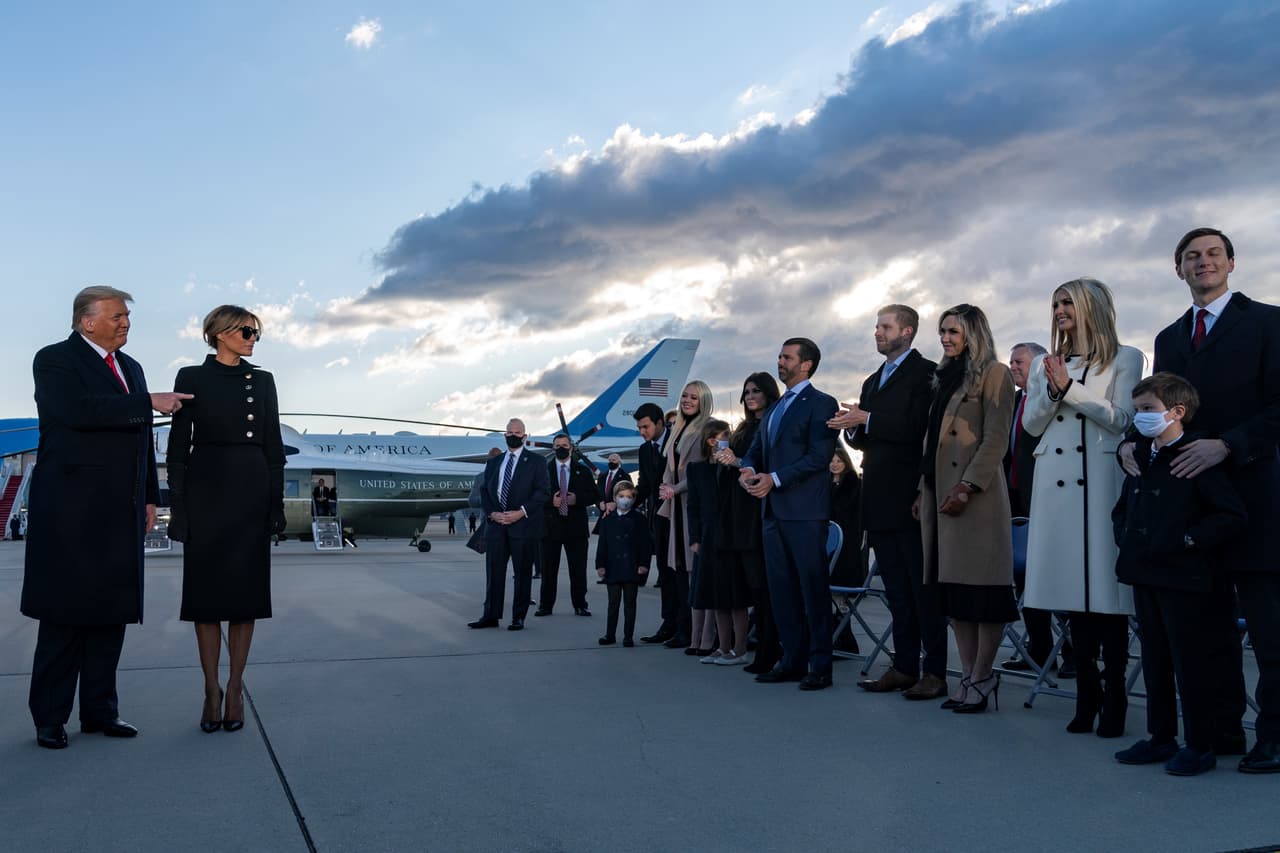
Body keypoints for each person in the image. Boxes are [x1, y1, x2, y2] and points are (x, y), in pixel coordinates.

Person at [1121, 227, 1280, 773]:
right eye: (1192, 256)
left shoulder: (1268, 322)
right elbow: (1165, 409)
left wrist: (1227, 446)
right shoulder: (1169, 338)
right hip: (1191, 508)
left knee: (1268, 629)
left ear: (1232, 263)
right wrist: (1130, 442)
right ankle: (1218, 732)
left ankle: (1275, 738)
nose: (1203, 262)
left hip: (1256, 495)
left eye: (1213, 254)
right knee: (1205, 633)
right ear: (1178, 269)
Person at [21, 286, 191, 749]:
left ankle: (100, 712)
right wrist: (147, 402)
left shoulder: (131, 368)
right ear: (86, 321)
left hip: (122, 508)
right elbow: (77, 412)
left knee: (110, 613)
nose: (125, 323)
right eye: (116, 316)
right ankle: (50, 719)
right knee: (64, 615)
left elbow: (140, 442)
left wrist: (151, 495)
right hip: (71, 512)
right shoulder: (54, 359)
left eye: (127, 317)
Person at [1022, 279, 1142, 737]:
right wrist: (1052, 389)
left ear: (1092, 307)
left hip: (1100, 480)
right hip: (1056, 484)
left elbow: (1122, 419)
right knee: (1072, 595)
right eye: (1054, 303)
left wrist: (1070, 388)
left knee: (1105, 597)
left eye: (1067, 302)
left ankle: (1114, 698)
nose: (1059, 310)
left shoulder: (1126, 358)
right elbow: (1032, 424)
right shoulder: (1043, 364)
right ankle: (1086, 692)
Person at [1112, 373, 1246, 776]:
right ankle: (1161, 736)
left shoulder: (1196, 456)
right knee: (1154, 658)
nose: (1141, 418)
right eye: (1137, 411)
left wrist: (1187, 540)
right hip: (1144, 571)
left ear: (1177, 412)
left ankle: (1201, 743)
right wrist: (1127, 538)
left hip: (1184, 577)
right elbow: (1123, 509)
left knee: (1191, 663)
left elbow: (1230, 515)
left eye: (1148, 410)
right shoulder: (1140, 454)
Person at [166, 305, 286, 733]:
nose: (253, 337)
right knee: (206, 599)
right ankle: (210, 688)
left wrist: (277, 506)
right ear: (218, 333)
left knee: (244, 596)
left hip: (250, 492)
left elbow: (273, 446)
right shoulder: (191, 378)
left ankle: (235, 687)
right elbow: (178, 449)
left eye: (256, 332)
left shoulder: (263, 381)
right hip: (207, 492)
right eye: (245, 330)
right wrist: (178, 508)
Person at [830, 304, 948, 700]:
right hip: (878, 496)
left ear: (908, 331)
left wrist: (867, 419)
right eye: (876, 326)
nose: (877, 332)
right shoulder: (872, 380)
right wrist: (850, 427)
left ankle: (934, 670)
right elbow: (866, 440)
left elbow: (920, 428)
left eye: (885, 326)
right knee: (897, 590)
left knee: (921, 587)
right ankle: (903, 666)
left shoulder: (927, 374)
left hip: (911, 494)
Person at [914, 304, 1016, 713]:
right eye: (942, 331)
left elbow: (995, 438)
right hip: (939, 497)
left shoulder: (995, 374)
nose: (945, 338)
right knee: (954, 595)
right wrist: (922, 489)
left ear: (973, 333)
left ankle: (982, 675)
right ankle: (969, 675)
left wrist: (968, 485)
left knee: (982, 592)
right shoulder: (943, 380)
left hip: (975, 498)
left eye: (953, 331)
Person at [740, 338, 839, 691]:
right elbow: (755, 451)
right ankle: (792, 660)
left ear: (807, 364)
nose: (780, 362)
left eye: (787, 357)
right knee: (781, 592)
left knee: (812, 591)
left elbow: (818, 457)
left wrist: (774, 479)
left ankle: (820, 666)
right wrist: (747, 470)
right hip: (772, 514)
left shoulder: (821, 403)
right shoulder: (776, 408)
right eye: (779, 356)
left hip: (804, 514)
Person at [1000, 341, 1070, 675]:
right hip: (1014, 499)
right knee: (1024, 578)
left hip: (1046, 500)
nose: (1012, 366)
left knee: (1056, 576)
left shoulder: (1051, 402)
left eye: (1019, 361)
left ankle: (1073, 651)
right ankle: (1040, 650)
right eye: (1010, 361)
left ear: (1041, 364)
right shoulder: (1014, 401)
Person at [714, 372, 782, 674]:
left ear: (768, 393)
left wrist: (737, 462)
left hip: (757, 511)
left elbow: (762, 466)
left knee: (762, 586)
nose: (750, 396)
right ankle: (758, 645)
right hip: (736, 513)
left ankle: (769, 648)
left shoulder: (770, 424)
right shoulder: (743, 427)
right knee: (752, 587)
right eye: (747, 391)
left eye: (756, 390)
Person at [469, 419, 550, 631]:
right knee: (494, 573)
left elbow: (542, 493)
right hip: (496, 527)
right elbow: (485, 492)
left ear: (525, 436)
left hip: (522, 526)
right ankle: (490, 616)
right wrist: (492, 514)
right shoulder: (494, 463)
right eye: (509, 432)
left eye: (518, 432)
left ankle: (518, 617)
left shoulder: (536, 462)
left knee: (522, 574)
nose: (513, 435)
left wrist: (520, 512)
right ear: (504, 434)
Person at [688, 419, 752, 664]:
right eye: (722, 435)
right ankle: (723, 647)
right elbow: (692, 507)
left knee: (736, 597)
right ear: (710, 440)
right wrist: (694, 538)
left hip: (732, 536)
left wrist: (734, 462)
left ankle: (740, 648)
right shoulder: (697, 469)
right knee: (716, 598)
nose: (726, 438)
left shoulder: (735, 466)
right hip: (708, 537)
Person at [658, 381, 715, 655]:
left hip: (693, 504)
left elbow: (702, 469)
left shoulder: (707, 427)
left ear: (703, 400)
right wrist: (666, 485)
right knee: (678, 570)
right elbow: (670, 466)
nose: (687, 400)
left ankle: (703, 635)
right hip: (675, 506)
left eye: (694, 397)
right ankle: (685, 630)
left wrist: (675, 488)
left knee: (696, 573)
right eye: (684, 396)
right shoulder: (677, 429)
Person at [537, 434, 599, 617]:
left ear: (571, 448)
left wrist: (577, 499)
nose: (561, 448)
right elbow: (536, 495)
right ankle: (545, 605)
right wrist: (551, 502)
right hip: (550, 527)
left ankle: (580, 604)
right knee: (548, 570)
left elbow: (594, 495)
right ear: (553, 448)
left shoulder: (583, 470)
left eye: (564, 445)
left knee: (578, 569)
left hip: (576, 528)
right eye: (557, 446)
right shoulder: (543, 471)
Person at [634, 404, 680, 644]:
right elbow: (644, 486)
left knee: (679, 570)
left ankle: (685, 624)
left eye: (646, 426)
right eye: (639, 428)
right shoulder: (644, 450)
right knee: (664, 568)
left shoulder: (677, 442)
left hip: (679, 515)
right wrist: (624, 504)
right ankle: (668, 622)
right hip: (659, 518)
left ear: (661, 422)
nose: (642, 431)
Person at [596, 481, 651, 646]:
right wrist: (600, 564)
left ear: (633, 499)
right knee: (613, 603)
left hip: (631, 567)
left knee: (630, 603)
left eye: (628, 497)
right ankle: (610, 634)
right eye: (621, 496)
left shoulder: (639, 519)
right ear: (614, 498)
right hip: (613, 567)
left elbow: (645, 544)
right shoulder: (607, 520)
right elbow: (602, 544)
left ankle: (628, 636)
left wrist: (643, 564)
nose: (625, 500)